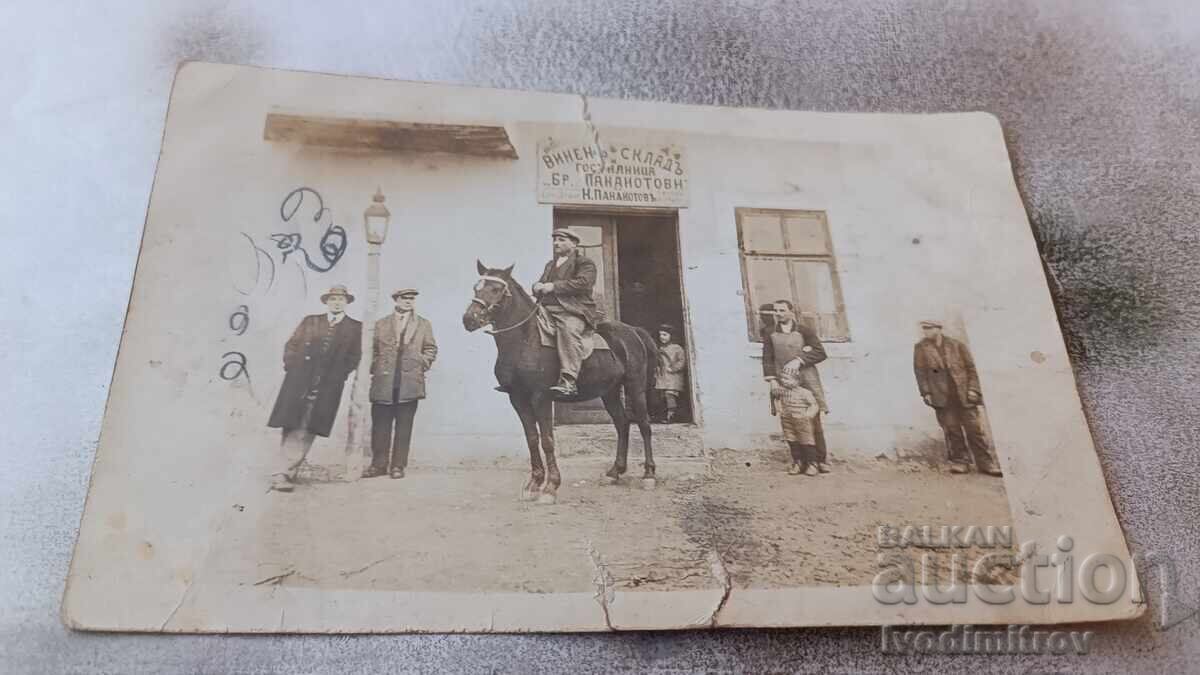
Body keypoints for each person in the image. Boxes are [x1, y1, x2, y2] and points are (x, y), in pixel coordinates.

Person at [267, 285, 362, 492]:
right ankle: (283, 471)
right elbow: (291, 345)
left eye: (341, 299)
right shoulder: (311, 321)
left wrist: (338, 375)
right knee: (291, 424)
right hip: (299, 381)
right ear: (326, 302)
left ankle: (285, 471)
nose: (337, 302)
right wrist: (294, 369)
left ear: (347, 302)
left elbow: (354, 357)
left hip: (328, 386)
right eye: (333, 299)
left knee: (310, 427)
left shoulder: (355, 327)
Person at [365, 288, 438, 480]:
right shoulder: (380, 324)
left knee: (404, 427)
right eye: (404, 298)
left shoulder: (423, 324)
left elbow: (431, 348)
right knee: (380, 426)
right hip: (384, 382)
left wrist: (421, 363)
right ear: (395, 300)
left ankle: (398, 466)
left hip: (409, 383)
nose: (408, 301)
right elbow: (370, 350)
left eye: (411, 299)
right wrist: (376, 367)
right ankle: (378, 465)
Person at [912, 319, 1002, 476]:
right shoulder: (920, 348)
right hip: (941, 395)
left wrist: (974, 390)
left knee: (974, 429)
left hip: (964, 394)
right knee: (952, 429)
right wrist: (926, 392)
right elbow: (920, 372)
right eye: (924, 329)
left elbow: (971, 368)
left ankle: (986, 463)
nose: (925, 331)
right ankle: (961, 462)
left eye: (929, 328)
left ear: (939, 329)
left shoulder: (956, 345)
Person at [762, 300, 831, 473]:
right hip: (783, 379)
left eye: (783, 310)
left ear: (791, 312)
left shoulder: (804, 331)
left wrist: (798, 360)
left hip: (806, 378)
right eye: (776, 311)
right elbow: (767, 358)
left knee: (811, 418)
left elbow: (820, 352)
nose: (779, 313)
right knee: (790, 419)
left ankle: (819, 460)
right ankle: (798, 461)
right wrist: (772, 381)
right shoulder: (770, 333)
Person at [532, 228, 600, 397]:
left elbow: (583, 283)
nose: (556, 243)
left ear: (574, 243)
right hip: (545, 308)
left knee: (567, 330)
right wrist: (536, 286)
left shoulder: (584, 263)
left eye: (561, 239)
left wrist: (554, 286)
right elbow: (543, 283)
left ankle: (569, 380)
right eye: (555, 239)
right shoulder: (551, 264)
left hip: (573, 309)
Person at [771, 359, 822, 475]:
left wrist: (808, 415)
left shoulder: (804, 392)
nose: (784, 381)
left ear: (797, 380)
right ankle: (798, 463)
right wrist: (778, 408)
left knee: (807, 441)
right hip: (787, 420)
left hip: (802, 420)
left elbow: (814, 405)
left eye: (788, 379)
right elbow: (775, 396)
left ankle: (812, 464)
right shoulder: (782, 391)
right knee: (792, 440)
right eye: (783, 378)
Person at [653, 324, 687, 423]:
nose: (662, 337)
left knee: (670, 396)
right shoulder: (659, 349)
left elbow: (682, 361)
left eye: (665, 335)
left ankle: (672, 416)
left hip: (673, 377)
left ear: (671, 335)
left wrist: (673, 368)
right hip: (662, 377)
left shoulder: (677, 348)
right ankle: (663, 416)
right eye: (660, 335)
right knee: (662, 397)